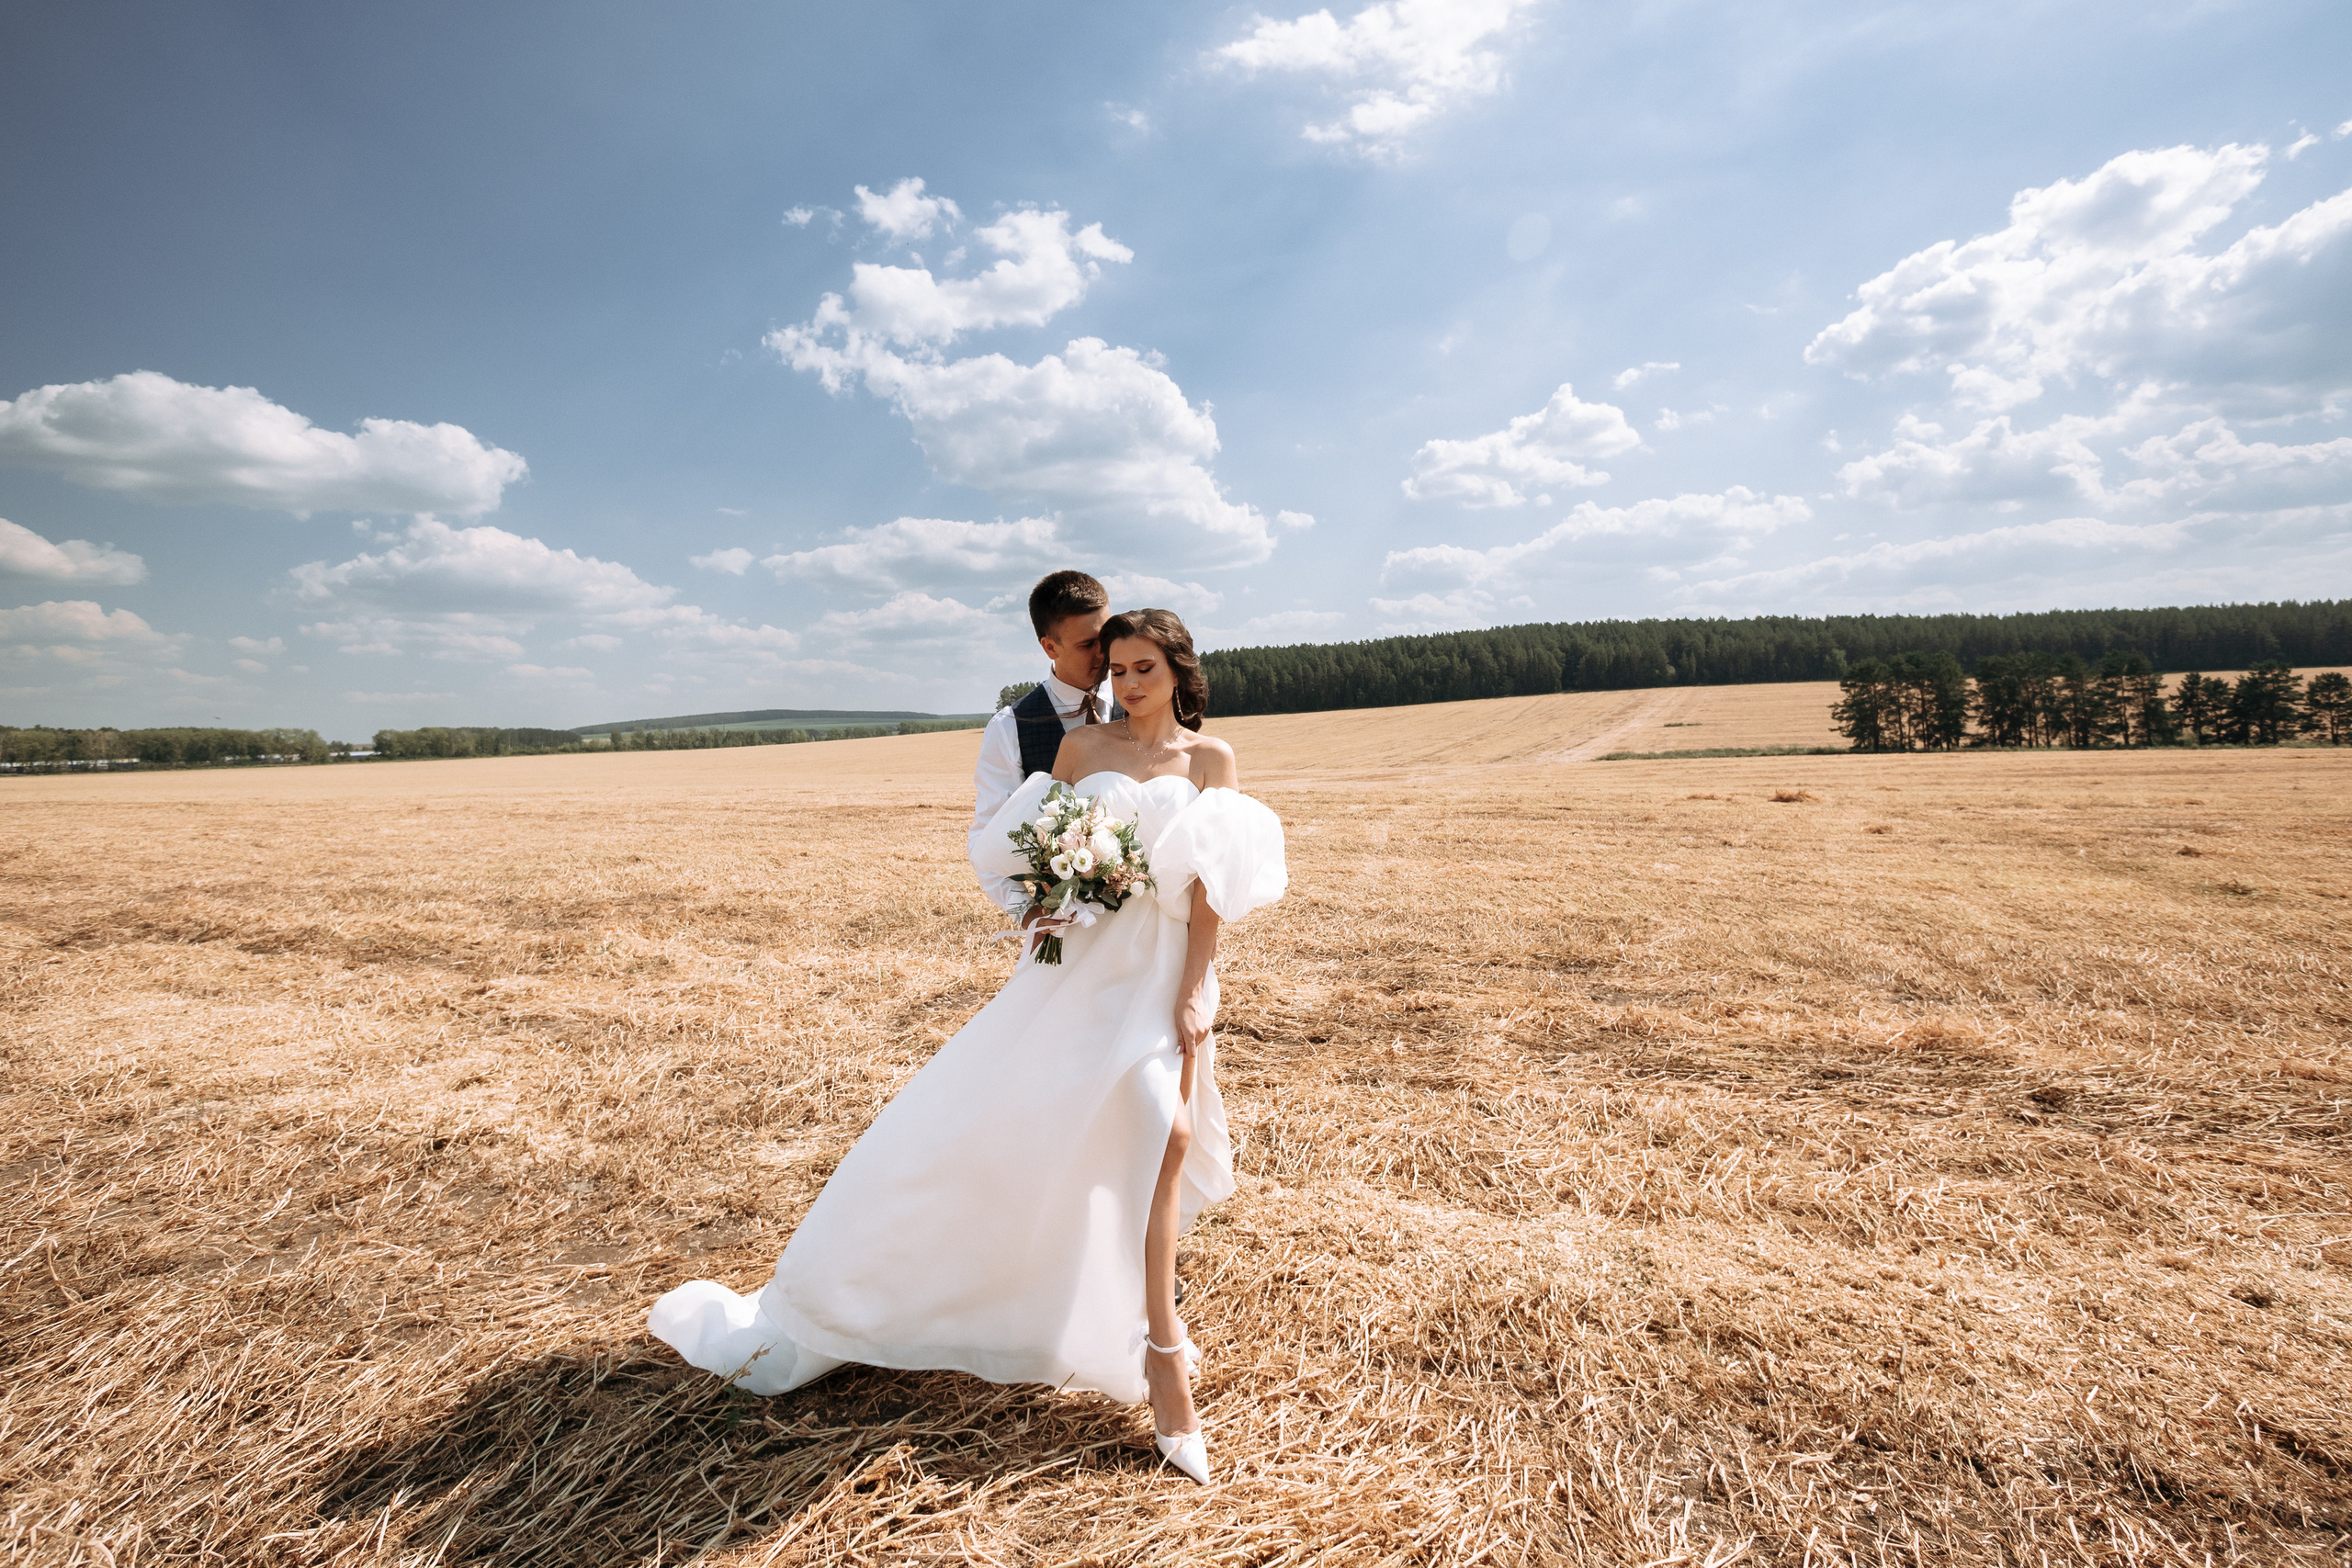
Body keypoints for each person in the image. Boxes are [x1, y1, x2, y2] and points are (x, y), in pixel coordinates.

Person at [647, 606, 1285, 1486]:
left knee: (1161, 1131)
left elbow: (1212, 887)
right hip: (1074, 971)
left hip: (1159, 969)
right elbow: (1040, 856)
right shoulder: (1081, 748)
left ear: (1178, 669)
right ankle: (1020, 1310)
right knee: (1010, 1130)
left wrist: (1196, 986)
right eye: (1118, 670)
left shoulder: (1211, 760)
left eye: (1145, 668)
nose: (1130, 684)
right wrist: (1051, 901)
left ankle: (1158, 1355)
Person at [969, 571, 1113, 929]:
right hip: (1066, 928)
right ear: (1050, 647)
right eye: (1087, 645)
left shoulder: (1147, 705)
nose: (1103, 654)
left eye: (1107, 637)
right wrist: (1029, 913)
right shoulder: (1010, 727)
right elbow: (986, 839)